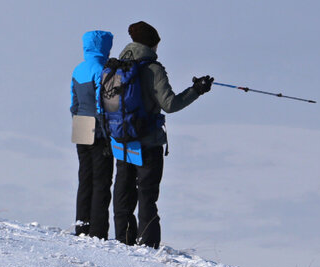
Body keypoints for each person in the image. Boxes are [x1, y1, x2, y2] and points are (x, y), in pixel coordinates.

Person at [111, 20, 213, 248]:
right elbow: (170, 104)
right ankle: (148, 244)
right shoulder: (153, 69)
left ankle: (123, 240)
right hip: (148, 141)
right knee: (147, 194)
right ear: (152, 44)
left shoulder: (117, 67)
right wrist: (196, 90)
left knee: (123, 190)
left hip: (121, 137)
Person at [71, 29, 115, 239]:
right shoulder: (101, 69)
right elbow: (101, 105)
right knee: (101, 181)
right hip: (98, 129)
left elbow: (74, 104)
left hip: (80, 124)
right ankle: (97, 231)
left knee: (84, 178)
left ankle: (82, 225)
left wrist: (77, 119)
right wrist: (107, 133)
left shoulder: (78, 69)